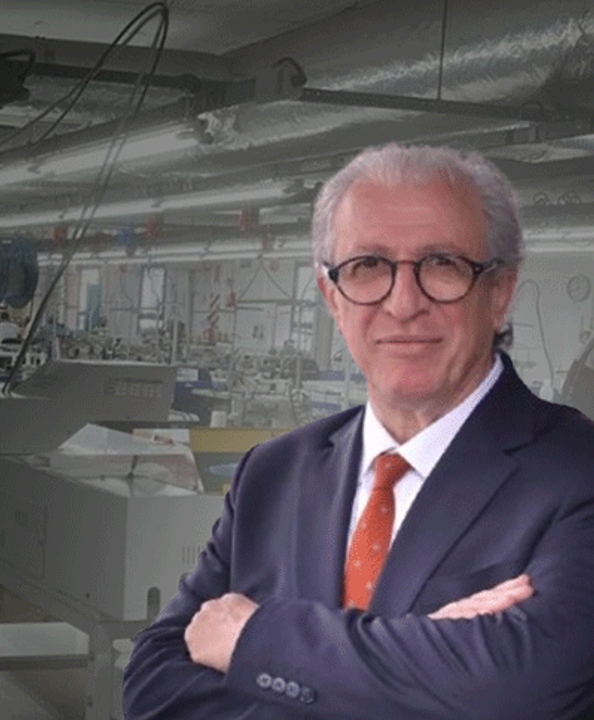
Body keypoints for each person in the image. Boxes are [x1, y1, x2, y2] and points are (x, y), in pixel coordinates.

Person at [123, 144, 594, 719]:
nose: (404, 303)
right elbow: (152, 686)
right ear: (333, 298)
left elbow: (517, 691)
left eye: (442, 264)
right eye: (368, 266)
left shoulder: (577, 474)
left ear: (499, 293)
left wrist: (254, 642)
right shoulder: (273, 472)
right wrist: (412, 675)